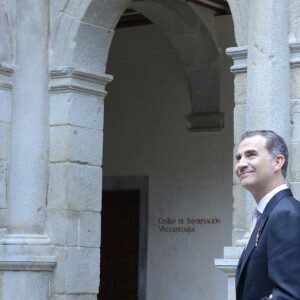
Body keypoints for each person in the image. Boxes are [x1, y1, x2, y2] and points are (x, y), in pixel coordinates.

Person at [234, 130, 300, 300]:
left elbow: (289, 296)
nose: (241, 164)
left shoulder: (284, 214)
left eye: (251, 155)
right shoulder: (270, 213)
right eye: (239, 157)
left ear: (277, 162)